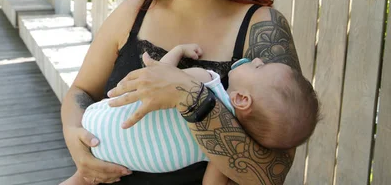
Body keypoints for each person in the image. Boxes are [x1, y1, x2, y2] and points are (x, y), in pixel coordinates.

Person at [60, 0, 305, 185]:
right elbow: (81, 91)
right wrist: (74, 139)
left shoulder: (262, 26)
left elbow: (273, 172)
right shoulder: (133, 12)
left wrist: (191, 97)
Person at [61, 44, 319, 185]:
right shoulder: (226, 149)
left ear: (241, 98)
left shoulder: (206, 83)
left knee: (80, 178)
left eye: (259, 67)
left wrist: (178, 51)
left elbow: (161, 76)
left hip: (101, 121)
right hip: (121, 161)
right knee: (83, 180)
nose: (255, 60)